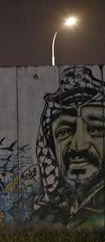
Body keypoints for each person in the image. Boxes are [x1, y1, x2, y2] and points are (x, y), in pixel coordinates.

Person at [33, 66, 105, 227]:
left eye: (96, 129)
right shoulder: (42, 218)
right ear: (51, 146)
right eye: (64, 131)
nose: (78, 146)